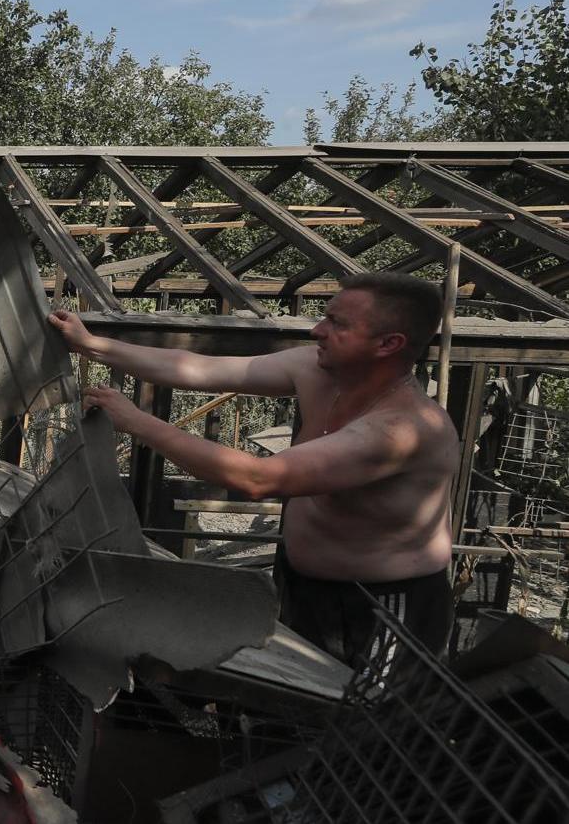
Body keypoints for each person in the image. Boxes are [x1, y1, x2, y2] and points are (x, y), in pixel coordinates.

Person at [48, 272, 458, 667]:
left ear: (388, 343)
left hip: (383, 605)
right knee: (296, 713)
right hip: (302, 585)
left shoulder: (403, 429)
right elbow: (197, 369)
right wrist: (91, 345)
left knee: (373, 726)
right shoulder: (315, 370)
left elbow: (258, 478)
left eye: (337, 323)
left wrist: (138, 422)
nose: (317, 330)